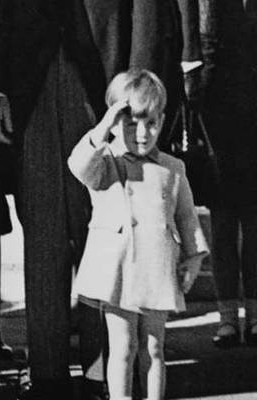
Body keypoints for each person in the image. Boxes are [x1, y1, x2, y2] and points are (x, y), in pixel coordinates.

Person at [0, 1, 202, 398]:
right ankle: (47, 373)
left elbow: (147, 11)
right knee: (44, 232)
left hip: (109, 84)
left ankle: (104, 374)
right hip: (31, 83)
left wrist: (138, 95)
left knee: (109, 234)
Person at [68, 69, 209, 400]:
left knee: (154, 346)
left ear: (162, 120)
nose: (142, 133)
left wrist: (193, 257)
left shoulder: (173, 168)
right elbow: (78, 165)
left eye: (151, 123)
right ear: (116, 123)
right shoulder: (105, 164)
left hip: (156, 268)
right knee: (123, 347)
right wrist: (105, 126)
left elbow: (186, 216)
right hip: (117, 273)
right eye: (131, 122)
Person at [197, 0, 257, 348]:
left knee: (254, 222)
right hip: (219, 114)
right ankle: (227, 318)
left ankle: (253, 314)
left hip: (250, 117)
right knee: (223, 221)